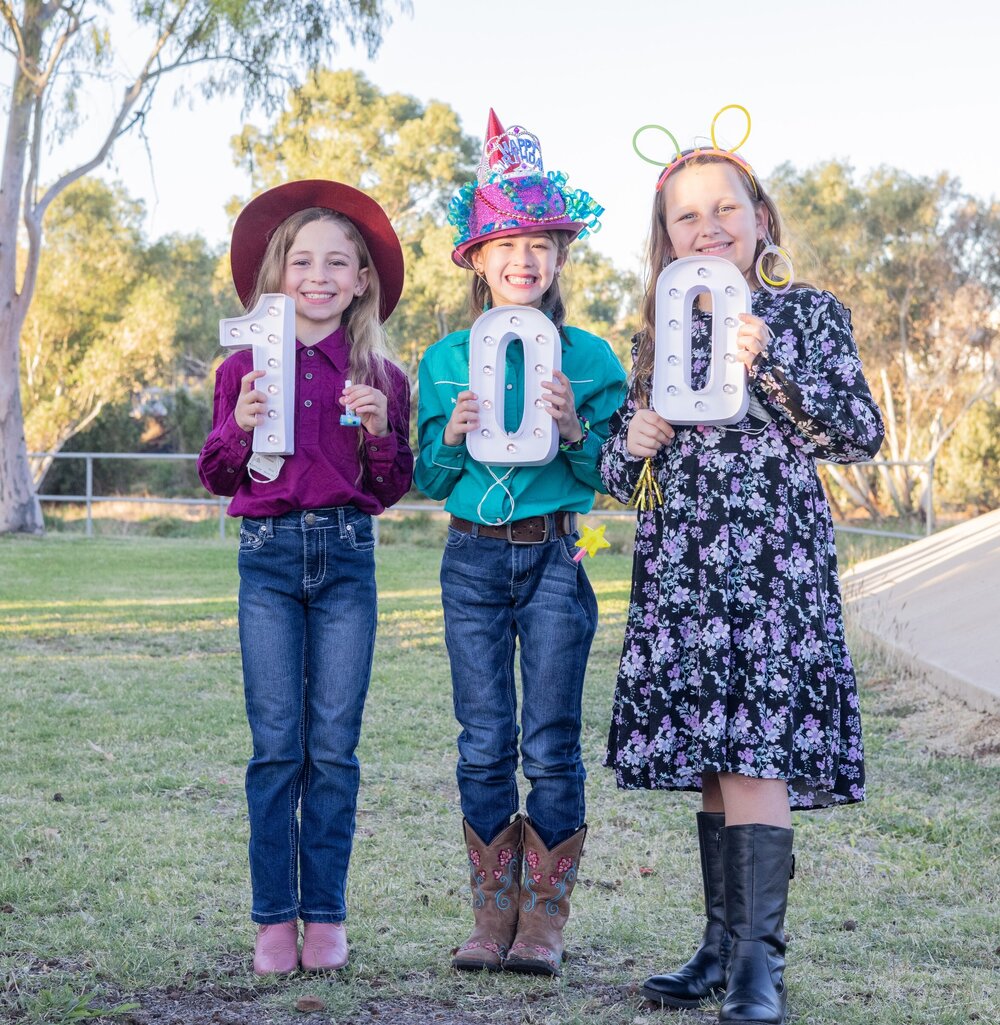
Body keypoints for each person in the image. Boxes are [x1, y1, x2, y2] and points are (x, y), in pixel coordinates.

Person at [600, 116, 884, 1025]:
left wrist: (771, 363)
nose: (708, 226)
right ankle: (721, 946)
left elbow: (855, 435)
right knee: (718, 759)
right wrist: (631, 443)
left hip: (772, 565)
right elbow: (622, 468)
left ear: (761, 218)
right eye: (687, 216)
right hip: (683, 562)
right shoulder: (659, 323)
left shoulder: (807, 314)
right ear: (666, 235)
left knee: (755, 748)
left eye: (726, 206)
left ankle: (762, 964)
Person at [415, 110, 626, 976]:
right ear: (475, 259)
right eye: (505, 243)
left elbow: (613, 470)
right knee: (481, 737)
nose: (523, 258)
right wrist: (453, 438)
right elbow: (427, 478)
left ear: (561, 257)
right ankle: (489, 910)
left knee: (549, 738)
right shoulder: (441, 360)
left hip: (552, 555)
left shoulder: (591, 357)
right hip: (470, 556)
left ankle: (544, 918)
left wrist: (578, 429)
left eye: (540, 242)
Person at [198, 179, 413, 975]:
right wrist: (239, 424)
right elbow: (219, 476)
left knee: (334, 747)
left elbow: (391, 489)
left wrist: (383, 432)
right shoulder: (243, 371)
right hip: (268, 561)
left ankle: (325, 913)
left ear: (362, 280)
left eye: (338, 263)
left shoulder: (380, 377)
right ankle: (271, 919)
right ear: (278, 274)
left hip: (348, 560)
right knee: (275, 748)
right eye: (302, 261)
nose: (318, 276)